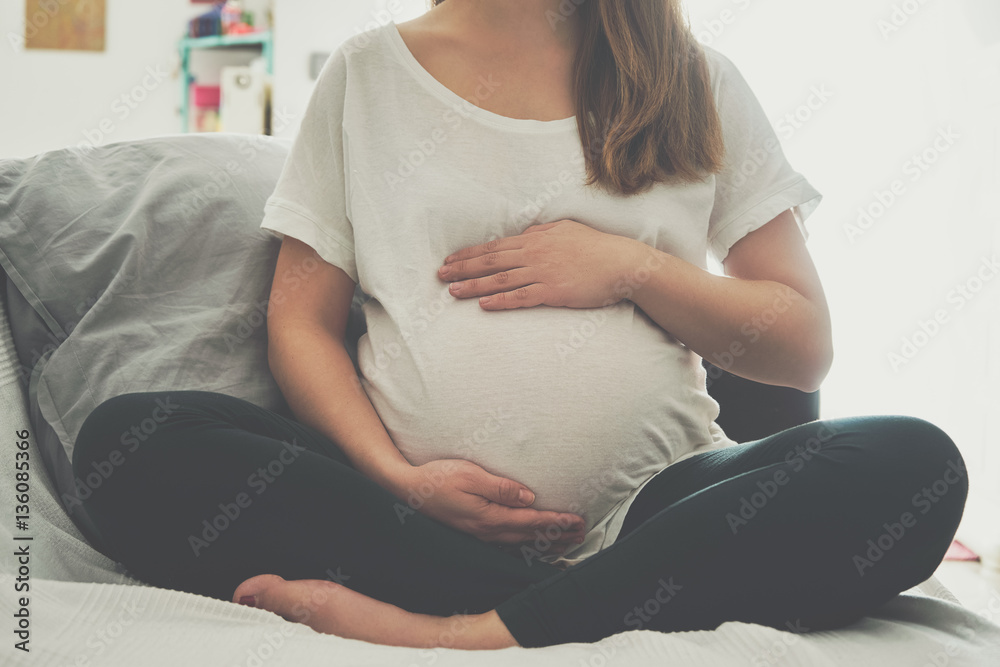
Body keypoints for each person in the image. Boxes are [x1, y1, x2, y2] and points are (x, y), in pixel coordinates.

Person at [72, 0, 968, 650]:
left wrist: (630, 266)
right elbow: (299, 323)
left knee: (915, 463)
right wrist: (399, 476)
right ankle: (581, 605)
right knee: (128, 443)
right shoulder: (368, 75)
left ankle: (466, 632)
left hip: (653, 509)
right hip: (405, 515)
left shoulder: (697, 82)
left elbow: (801, 340)